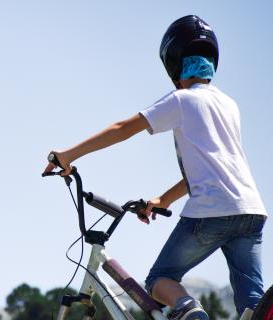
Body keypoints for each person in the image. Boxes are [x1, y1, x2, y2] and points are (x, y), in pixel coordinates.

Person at [43, 15, 267, 319]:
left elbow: (123, 128)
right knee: (253, 304)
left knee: (160, 279)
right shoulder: (229, 105)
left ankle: (191, 312)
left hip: (212, 211)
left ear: (173, 62)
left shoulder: (182, 100)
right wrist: (163, 201)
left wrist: (67, 155)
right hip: (251, 211)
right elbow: (214, 169)